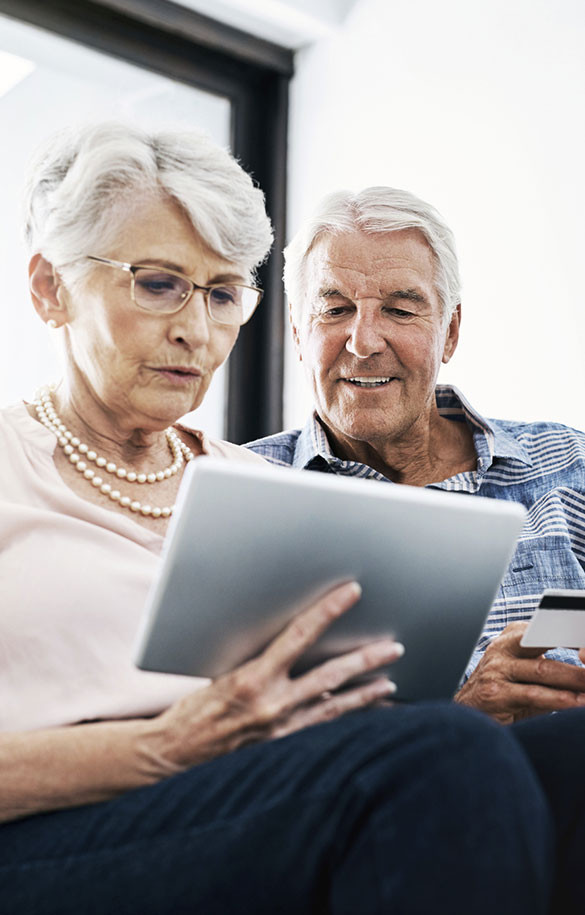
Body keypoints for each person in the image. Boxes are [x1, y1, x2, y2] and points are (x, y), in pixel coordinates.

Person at [0, 123, 578, 915]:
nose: (195, 331)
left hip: (243, 811)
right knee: (444, 753)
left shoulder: (252, 487)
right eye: (158, 283)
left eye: (222, 293)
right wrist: (162, 746)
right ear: (49, 288)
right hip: (52, 831)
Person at [245, 185, 585, 726]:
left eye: (400, 310)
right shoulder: (244, 490)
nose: (363, 341)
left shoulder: (568, 463)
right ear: (297, 332)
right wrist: (463, 719)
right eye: (335, 310)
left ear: (449, 333)